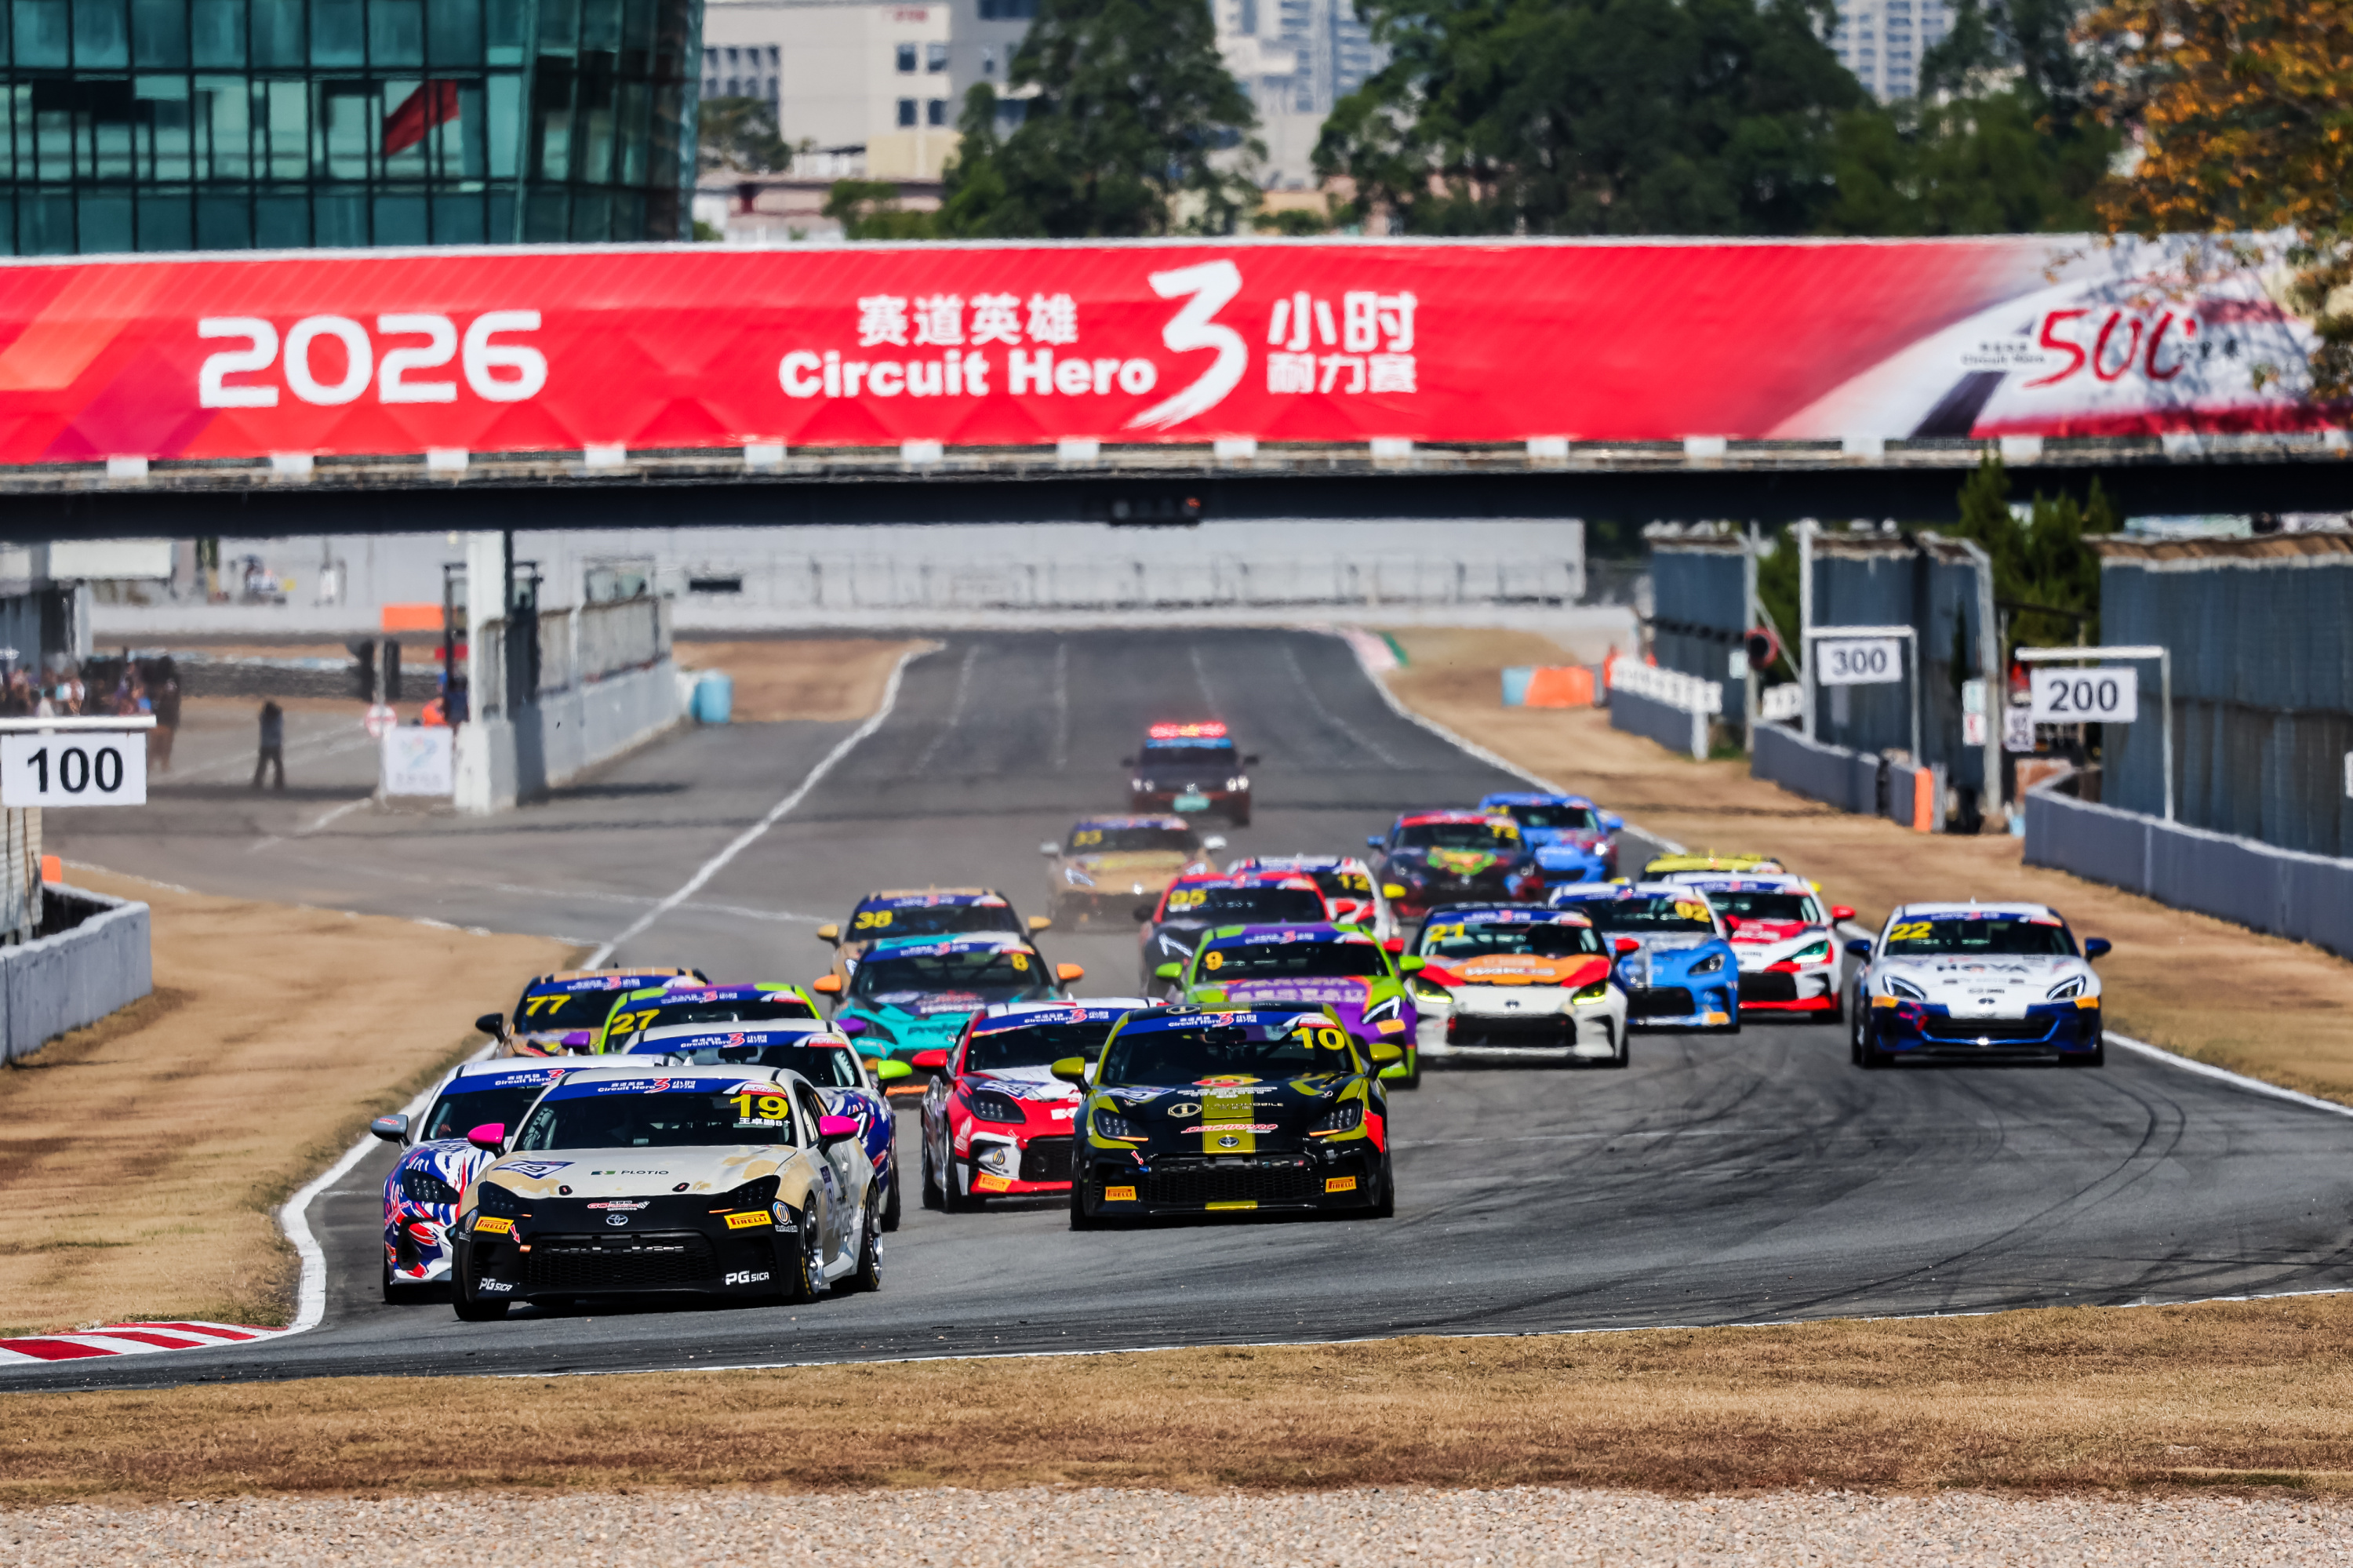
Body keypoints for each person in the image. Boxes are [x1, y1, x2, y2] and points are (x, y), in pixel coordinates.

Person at [254, 699, 285, 790]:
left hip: (265, 744)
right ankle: (279, 783)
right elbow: (280, 712)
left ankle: (257, 783)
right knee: (278, 765)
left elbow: (260, 715)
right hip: (275, 745)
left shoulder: (264, 718)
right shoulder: (277, 718)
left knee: (262, 765)